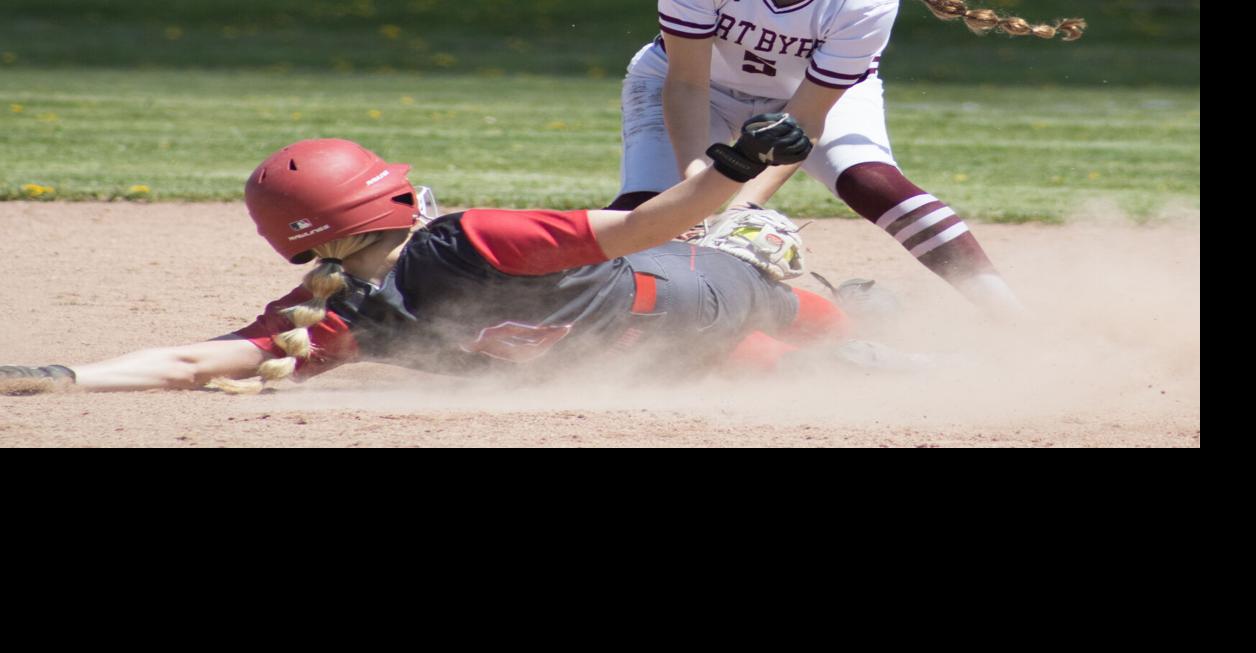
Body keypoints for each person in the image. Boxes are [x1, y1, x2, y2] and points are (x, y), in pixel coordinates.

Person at [0, 119, 876, 396]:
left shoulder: (338, 317)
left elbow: (189, 362)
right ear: (387, 201)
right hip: (697, 295)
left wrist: (65, 375)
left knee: (763, 360)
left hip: (653, 359)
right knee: (760, 272)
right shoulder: (474, 236)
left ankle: (865, 347)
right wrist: (736, 163)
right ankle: (870, 328)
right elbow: (652, 224)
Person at [610, 0, 1084, 317]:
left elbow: (805, 120)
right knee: (647, 208)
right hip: (691, 87)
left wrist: (740, 210)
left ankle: (1010, 316)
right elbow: (687, 83)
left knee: (870, 181)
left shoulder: (864, 4)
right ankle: (580, 310)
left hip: (815, 99)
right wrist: (694, 192)